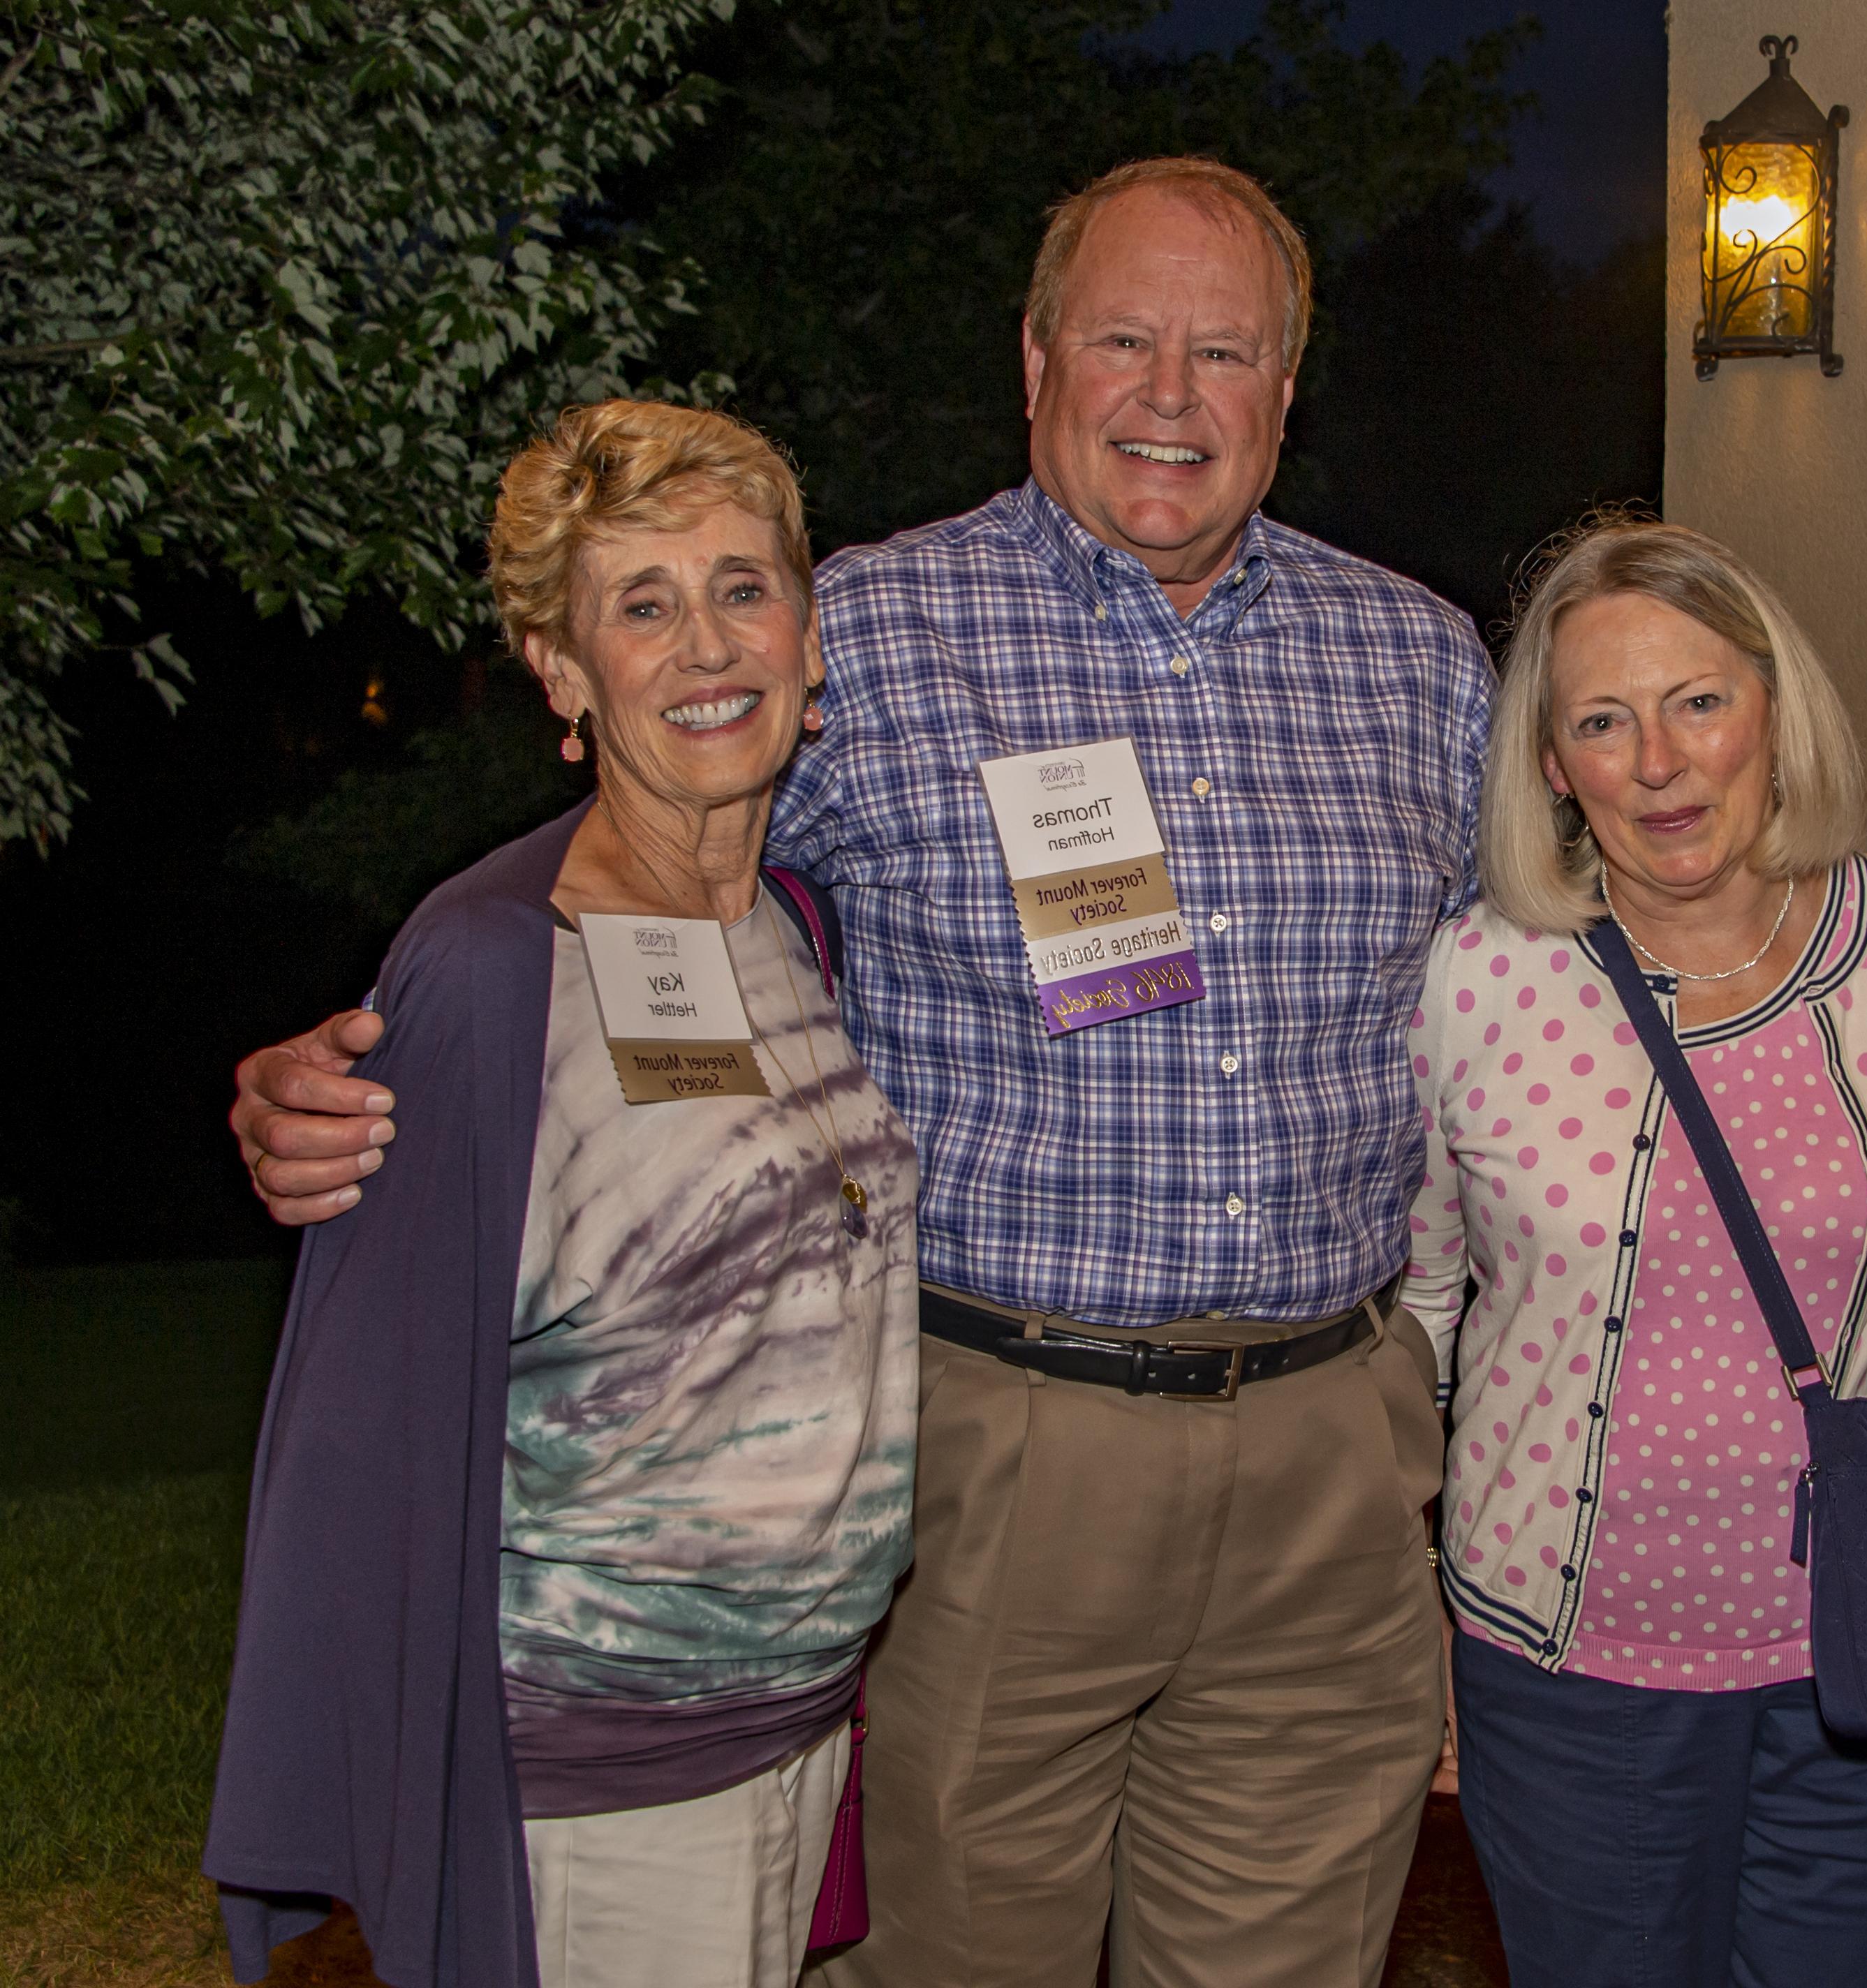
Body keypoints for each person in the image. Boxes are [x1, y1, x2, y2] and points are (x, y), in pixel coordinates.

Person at [226, 157, 1486, 1988]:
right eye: (1124, 338)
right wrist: (360, 1068)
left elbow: (1525, 1015)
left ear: (1289, 390)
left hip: (1328, 1456)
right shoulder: (859, 639)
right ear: (1037, 358)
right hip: (992, 1448)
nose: (1169, 393)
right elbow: (634, 890)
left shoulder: (1422, 666)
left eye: (1226, 352)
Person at [204, 401, 922, 1988]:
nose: (705, 642)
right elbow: (369, 1421)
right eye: (641, 606)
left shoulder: (793, 920)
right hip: (599, 1783)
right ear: (563, 673)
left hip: (792, 1733)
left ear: (807, 635)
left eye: (743, 586)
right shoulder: (487, 967)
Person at [1402, 517, 1867, 1986]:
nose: (1659, 762)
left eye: (1697, 701)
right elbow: (1424, 1305)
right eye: (1601, 722)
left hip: (1862, 1662)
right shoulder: (1478, 978)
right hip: (1564, 1671)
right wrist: (1407, 1606)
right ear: (1552, 766)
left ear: (1772, 703)